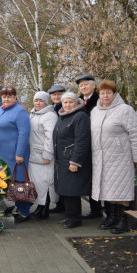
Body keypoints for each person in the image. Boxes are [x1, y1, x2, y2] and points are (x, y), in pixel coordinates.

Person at [91, 80, 137, 234]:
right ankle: (112, 217)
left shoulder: (125, 110)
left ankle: (124, 220)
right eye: (102, 93)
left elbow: (136, 134)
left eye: (109, 92)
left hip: (121, 157)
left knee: (122, 190)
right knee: (108, 189)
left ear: (115, 94)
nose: (105, 96)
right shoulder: (95, 111)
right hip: (101, 158)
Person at [0, 86, 31, 223]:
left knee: (20, 183)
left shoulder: (20, 112)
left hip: (15, 155)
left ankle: (24, 212)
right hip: (2, 153)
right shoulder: (1, 109)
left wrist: (20, 153)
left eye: (9, 96)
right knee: (7, 182)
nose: (6, 99)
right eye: (4, 96)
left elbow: (24, 133)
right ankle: (16, 207)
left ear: (15, 97)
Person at [53, 92, 92, 229]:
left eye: (70, 102)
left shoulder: (80, 116)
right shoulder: (62, 116)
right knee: (66, 190)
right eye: (65, 102)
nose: (67, 105)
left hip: (71, 159)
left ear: (76, 103)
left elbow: (82, 140)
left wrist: (75, 161)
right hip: (62, 159)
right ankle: (69, 216)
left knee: (72, 190)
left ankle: (75, 218)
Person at [75, 74, 104, 219]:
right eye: (81, 85)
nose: (83, 87)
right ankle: (95, 208)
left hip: (97, 142)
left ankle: (98, 209)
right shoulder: (79, 101)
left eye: (86, 84)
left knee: (97, 177)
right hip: (84, 143)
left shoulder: (98, 100)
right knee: (89, 177)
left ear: (94, 85)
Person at [28, 91, 58, 220]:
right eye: (36, 100)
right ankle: (39, 206)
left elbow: (50, 137)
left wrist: (47, 154)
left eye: (41, 100)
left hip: (44, 156)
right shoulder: (32, 114)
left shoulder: (50, 115)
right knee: (37, 183)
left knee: (46, 183)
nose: (38, 103)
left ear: (46, 102)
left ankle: (45, 208)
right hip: (33, 155)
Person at [47, 84, 66, 213]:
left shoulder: (65, 108)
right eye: (54, 95)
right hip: (54, 146)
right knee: (57, 177)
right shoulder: (51, 109)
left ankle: (64, 205)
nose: (56, 97)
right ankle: (60, 204)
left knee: (64, 177)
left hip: (63, 146)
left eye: (59, 94)